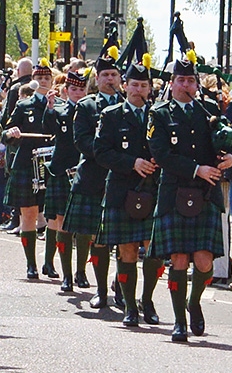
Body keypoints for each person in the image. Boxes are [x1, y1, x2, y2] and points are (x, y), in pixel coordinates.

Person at [147, 56, 232, 341]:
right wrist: (197, 169)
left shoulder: (209, 110)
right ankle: (179, 323)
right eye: (181, 80)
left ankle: (194, 301)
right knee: (178, 258)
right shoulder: (160, 114)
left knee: (203, 261)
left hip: (206, 192)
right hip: (175, 190)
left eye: (190, 81)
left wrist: (231, 157)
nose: (185, 85)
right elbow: (161, 153)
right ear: (172, 83)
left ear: (197, 85)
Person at [94, 58, 164, 326]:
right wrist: (132, 163)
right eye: (134, 84)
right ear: (125, 85)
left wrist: (160, 160)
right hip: (122, 190)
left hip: (152, 189)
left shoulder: (159, 114)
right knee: (127, 252)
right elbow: (101, 152)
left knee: (154, 251)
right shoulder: (111, 115)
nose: (138, 90)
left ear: (149, 88)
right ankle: (130, 306)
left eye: (143, 85)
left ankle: (147, 300)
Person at [62, 50, 122, 308]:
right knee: (98, 239)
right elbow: (82, 141)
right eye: (106, 75)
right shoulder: (87, 107)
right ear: (97, 78)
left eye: (114, 75)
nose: (110, 79)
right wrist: (110, 155)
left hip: (124, 179)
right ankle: (101, 290)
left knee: (124, 240)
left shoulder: (131, 104)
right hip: (94, 179)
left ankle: (121, 286)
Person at [2, 59, 58, 279]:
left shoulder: (59, 105)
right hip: (27, 164)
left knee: (53, 215)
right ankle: (31, 264)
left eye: (47, 78)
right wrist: (13, 134)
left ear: (52, 81)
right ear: (33, 81)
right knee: (29, 214)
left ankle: (49, 263)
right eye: (39, 78)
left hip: (52, 167)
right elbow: (5, 134)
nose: (43, 82)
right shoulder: (23, 106)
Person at [42, 70, 87, 292]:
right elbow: (48, 128)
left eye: (81, 89)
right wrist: (49, 108)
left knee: (86, 226)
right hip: (61, 170)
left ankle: (81, 271)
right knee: (62, 223)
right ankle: (67, 274)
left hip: (85, 172)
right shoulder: (59, 110)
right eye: (74, 89)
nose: (78, 93)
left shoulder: (92, 110)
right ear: (66, 90)